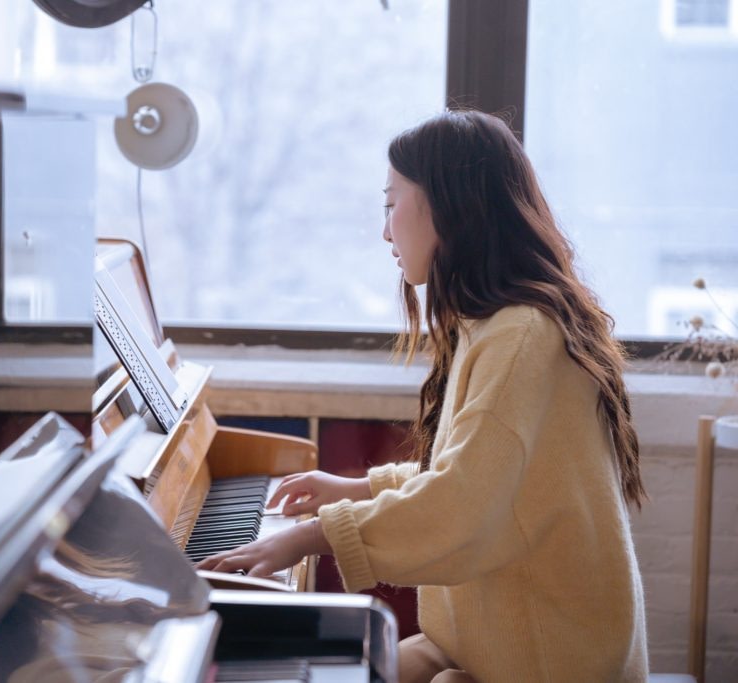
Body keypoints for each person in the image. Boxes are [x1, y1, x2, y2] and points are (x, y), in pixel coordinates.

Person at [198, 110, 648, 682]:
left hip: (546, 659)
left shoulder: (522, 336)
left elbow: (460, 505)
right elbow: (484, 473)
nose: (386, 231)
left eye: (391, 205)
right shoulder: (497, 325)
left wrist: (313, 537)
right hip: (484, 642)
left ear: (450, 206)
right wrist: (361, 487)